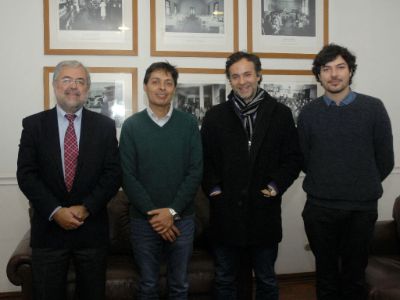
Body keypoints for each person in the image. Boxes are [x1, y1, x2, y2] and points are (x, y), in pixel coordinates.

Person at [16, 60, 121, 300]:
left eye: (80, 81)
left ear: (87, 88)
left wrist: (85, 208)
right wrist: (56, 211)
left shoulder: (105, 126)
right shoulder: (33, 125)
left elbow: (113, 174)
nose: (73, 86)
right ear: (54, 85)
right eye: (67, 79)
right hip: (49, 231)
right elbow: (26, 174)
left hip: (91, 231)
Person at [201, 51, 302, 299]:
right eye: (235, 76)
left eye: (247, 74)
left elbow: (293, 158)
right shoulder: (215, 116)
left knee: (266, 279)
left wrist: (275, 186)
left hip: (263, 213)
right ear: (230, 80)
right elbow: (204, 160)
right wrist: (215, 190)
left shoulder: (280, 114)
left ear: (258, 75)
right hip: (226, 213)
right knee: (225, 278)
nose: (242, 81)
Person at [297, 44, 394, 300]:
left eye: (341, 67)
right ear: (318, 75)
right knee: (325, 277)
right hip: (319, 209)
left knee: (354, 278)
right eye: (326, 69)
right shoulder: (308, 113)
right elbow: (305, 159)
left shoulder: (373, 108)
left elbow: (385, 160)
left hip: (360, 209)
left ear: (351, 71)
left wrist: (359, 182)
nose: (334, 74)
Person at [119, 62, 203, 299]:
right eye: (155, 81)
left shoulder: (188, 124)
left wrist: (172, 211)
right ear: (145, 86)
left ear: (174, 88)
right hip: (143, 222)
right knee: (148, 286)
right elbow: (127, 175)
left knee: (179, 286)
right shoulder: (132, 126)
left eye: (168, 83)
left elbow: (195, 171)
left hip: (183, 220)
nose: (162, 88)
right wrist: (156, 215)